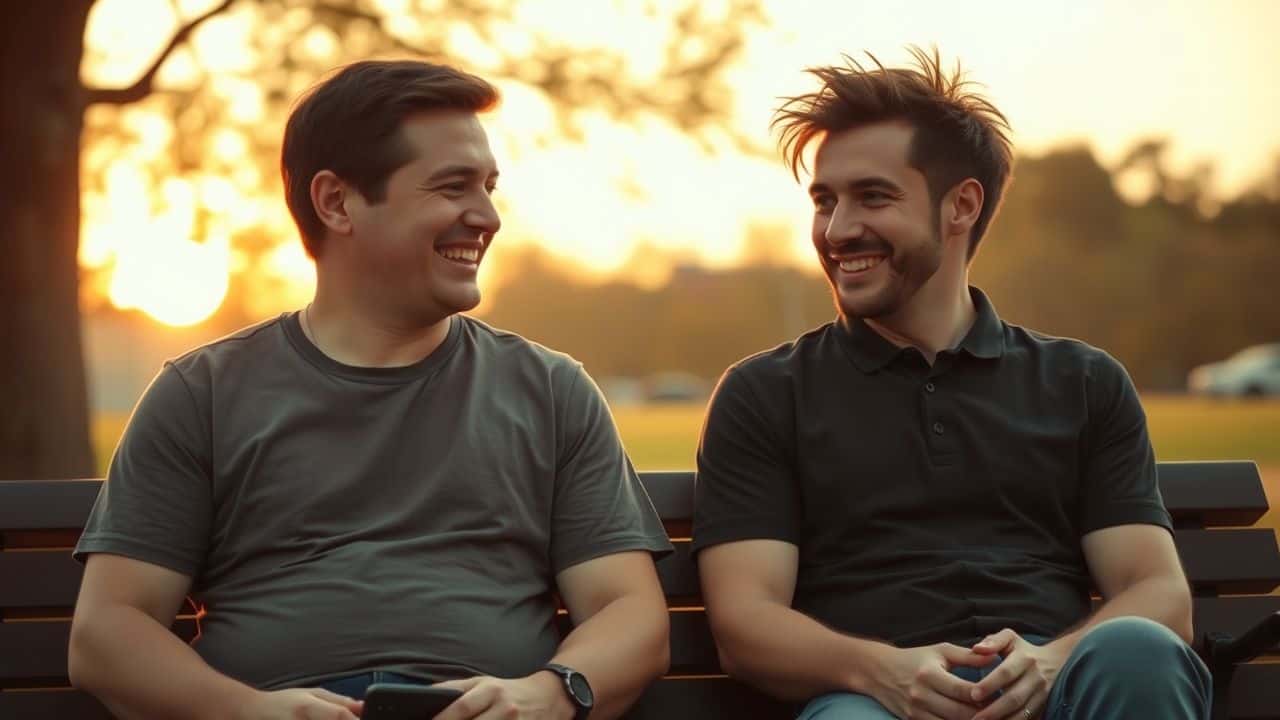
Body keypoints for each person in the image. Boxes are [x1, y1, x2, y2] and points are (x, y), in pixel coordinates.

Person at [68, 60, 672, 720]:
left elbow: (628, 611)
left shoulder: (550, 392)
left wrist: (548, 694)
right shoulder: (201, 395)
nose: (487, 217)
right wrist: (246, 712)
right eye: (453, 187)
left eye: (489, 187)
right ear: (337, 202)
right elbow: (107, 633)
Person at [692, 47, 1211, 720]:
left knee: (1139, 652)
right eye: (824, 201)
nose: (838, 230)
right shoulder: (764, 394)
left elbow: (1159, 593)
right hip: (871, 702)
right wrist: (883, 673)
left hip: (1056, 693)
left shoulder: (1083, 382)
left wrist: (1052, 661)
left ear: (960, 206)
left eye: (872, 197)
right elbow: (745, 622)